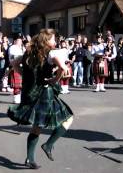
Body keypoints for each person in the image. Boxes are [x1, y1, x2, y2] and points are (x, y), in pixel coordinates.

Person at [7, 29, 74, 169]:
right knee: (68, 119)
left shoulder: (28, 53)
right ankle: (48, 145)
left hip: (32, 93)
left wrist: (25, 75)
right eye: (53, 39)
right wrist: (54, 80)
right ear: (46, 41)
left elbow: (13, 64)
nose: (55, 42)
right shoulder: (51, 53)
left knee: (37, 126)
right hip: (44, 93)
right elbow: (63, 68)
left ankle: (30, 159)